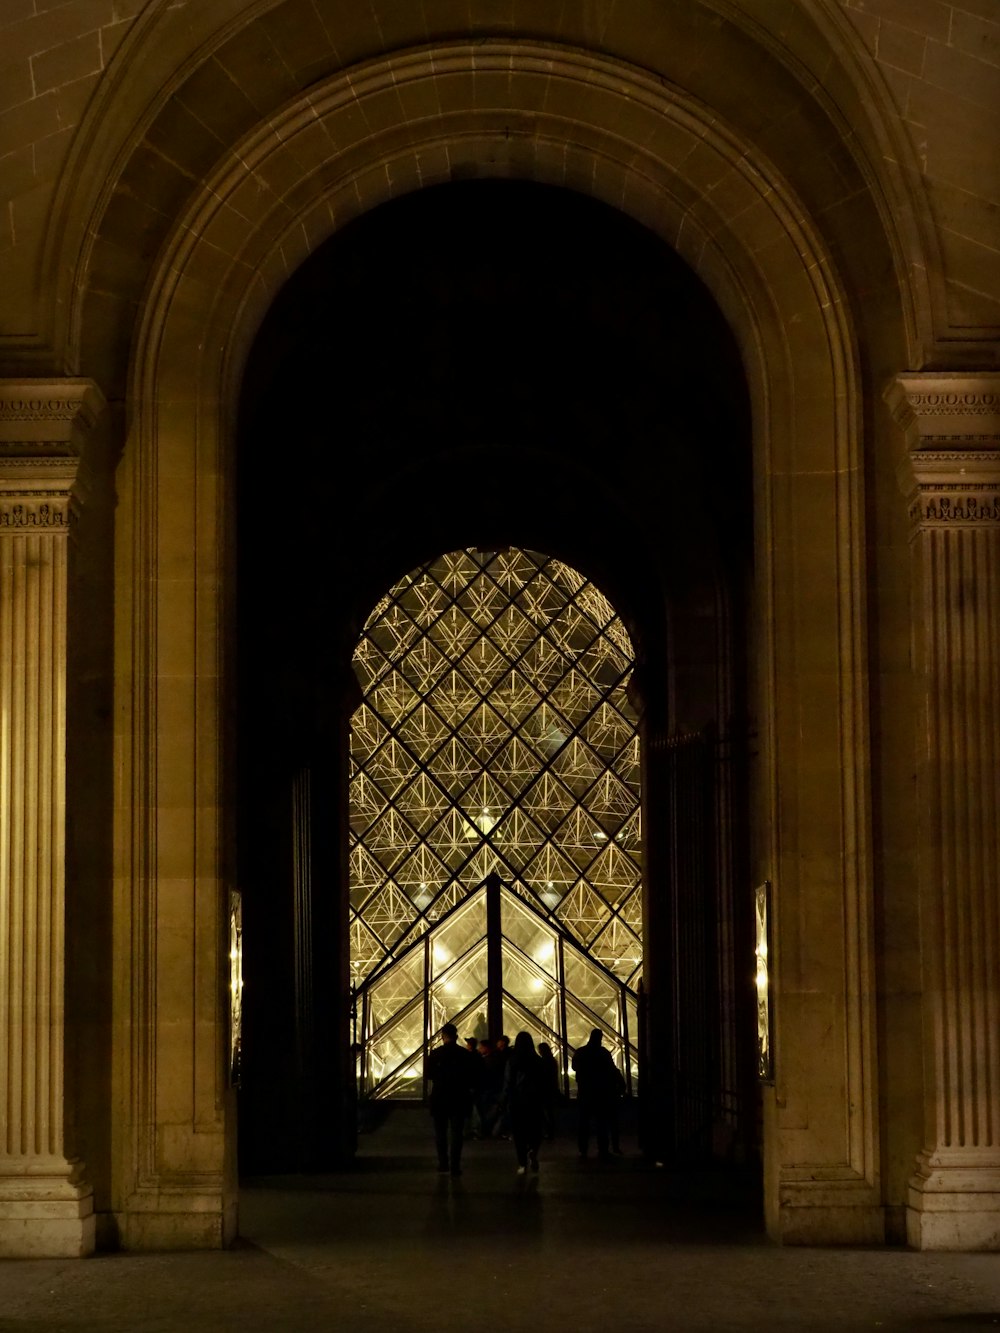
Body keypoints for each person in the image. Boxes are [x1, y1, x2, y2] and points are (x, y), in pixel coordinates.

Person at [426, 1022, 480, 1176]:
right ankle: (455, 1166)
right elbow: (472, 1076)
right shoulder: (465, 1054)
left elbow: (429, 1075)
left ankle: (443, 1163)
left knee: (440, 1133)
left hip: (440, 1097)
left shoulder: (436, 1054)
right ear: (456, 1036)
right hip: (459, 1097)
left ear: (443, 1037)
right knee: (457, 1133)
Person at [571, 1028, 620, 1160]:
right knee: (602, 1123)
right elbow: (612, 1069)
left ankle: (583, 1150)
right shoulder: (603, 1053)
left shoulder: (581, 1052)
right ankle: (603, 1150)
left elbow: (574, 1067)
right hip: (601, 1093)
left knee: (584, 1124)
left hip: (585, 1092)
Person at [501, 1031, 546, 1174]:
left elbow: (508, 1083)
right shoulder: (538, 1061)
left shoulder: (512, 1061)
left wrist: (504, 1100)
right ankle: (533, 1150)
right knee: (535, 1129)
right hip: (535, 1101)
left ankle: (522, 1163)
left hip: (517, 1101)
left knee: (519, 1133)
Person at [537, 1041, 562, 1140]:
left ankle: (548, 1132)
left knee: (545, 1113)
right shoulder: (552, 1061)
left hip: (544, 1090)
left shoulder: (543, 1061)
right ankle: (550, 1132)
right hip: (550, 1089)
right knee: (549, 1112)